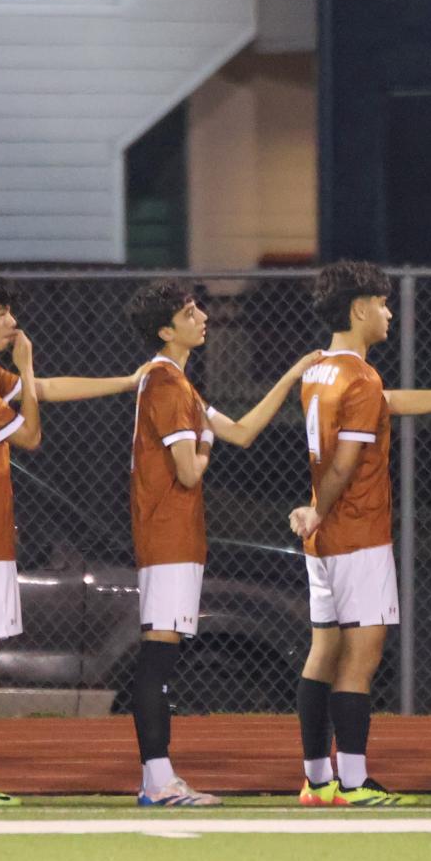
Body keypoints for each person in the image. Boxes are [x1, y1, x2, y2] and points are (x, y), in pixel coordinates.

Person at [0, 267, 154, 807]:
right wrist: (26, 368)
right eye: (1, 313)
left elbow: (45, 391)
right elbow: (30, 433)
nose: (13, 322)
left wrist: (127, 382)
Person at [285, 261, 431, 807]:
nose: (390, 311)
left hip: (324, 543)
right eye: (382, 302)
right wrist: (318, 509)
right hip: (355, 534)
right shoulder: (360, 376)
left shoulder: (321, 371)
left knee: (323, 650)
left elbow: (387, 404)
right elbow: (345, 464)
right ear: (359, 309)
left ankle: (315, 778)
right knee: (360, 660)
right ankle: (353, 782)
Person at [123, 280, 317, 806]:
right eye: (190, 312)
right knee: (158, 659)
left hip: (178, 539)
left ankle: (158, 779)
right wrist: (205, 449)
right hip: (167, 538)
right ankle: (158, 781)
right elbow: (189, 471)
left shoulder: (182, 386)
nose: (202, 317)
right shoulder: (165, 384)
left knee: (164, 656)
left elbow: (245, 431)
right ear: (167, 329)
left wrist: (292, 375)